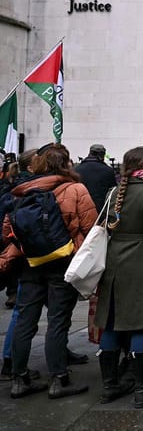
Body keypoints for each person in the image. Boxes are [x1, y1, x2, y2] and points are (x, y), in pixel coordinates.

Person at [1, 143, 97, 399]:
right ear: (67, 164)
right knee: (58, 321)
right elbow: (90, 228)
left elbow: (8, 230)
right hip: (63, 265)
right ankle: (59, 379)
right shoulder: (76, 189)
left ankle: (19, 380)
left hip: (30, 263)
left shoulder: (21, 191)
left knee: (25, 321)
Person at [94, 146, 143, 407]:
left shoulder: (115, 192)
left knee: (112, 322)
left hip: (114, 263)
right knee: (141, 324)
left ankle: (110, 385)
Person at [75, 143, 117, 212]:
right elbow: (112, 192)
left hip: (81, 208)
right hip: (101, 210)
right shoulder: (108, 170)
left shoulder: (77, 169)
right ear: (102, 155)